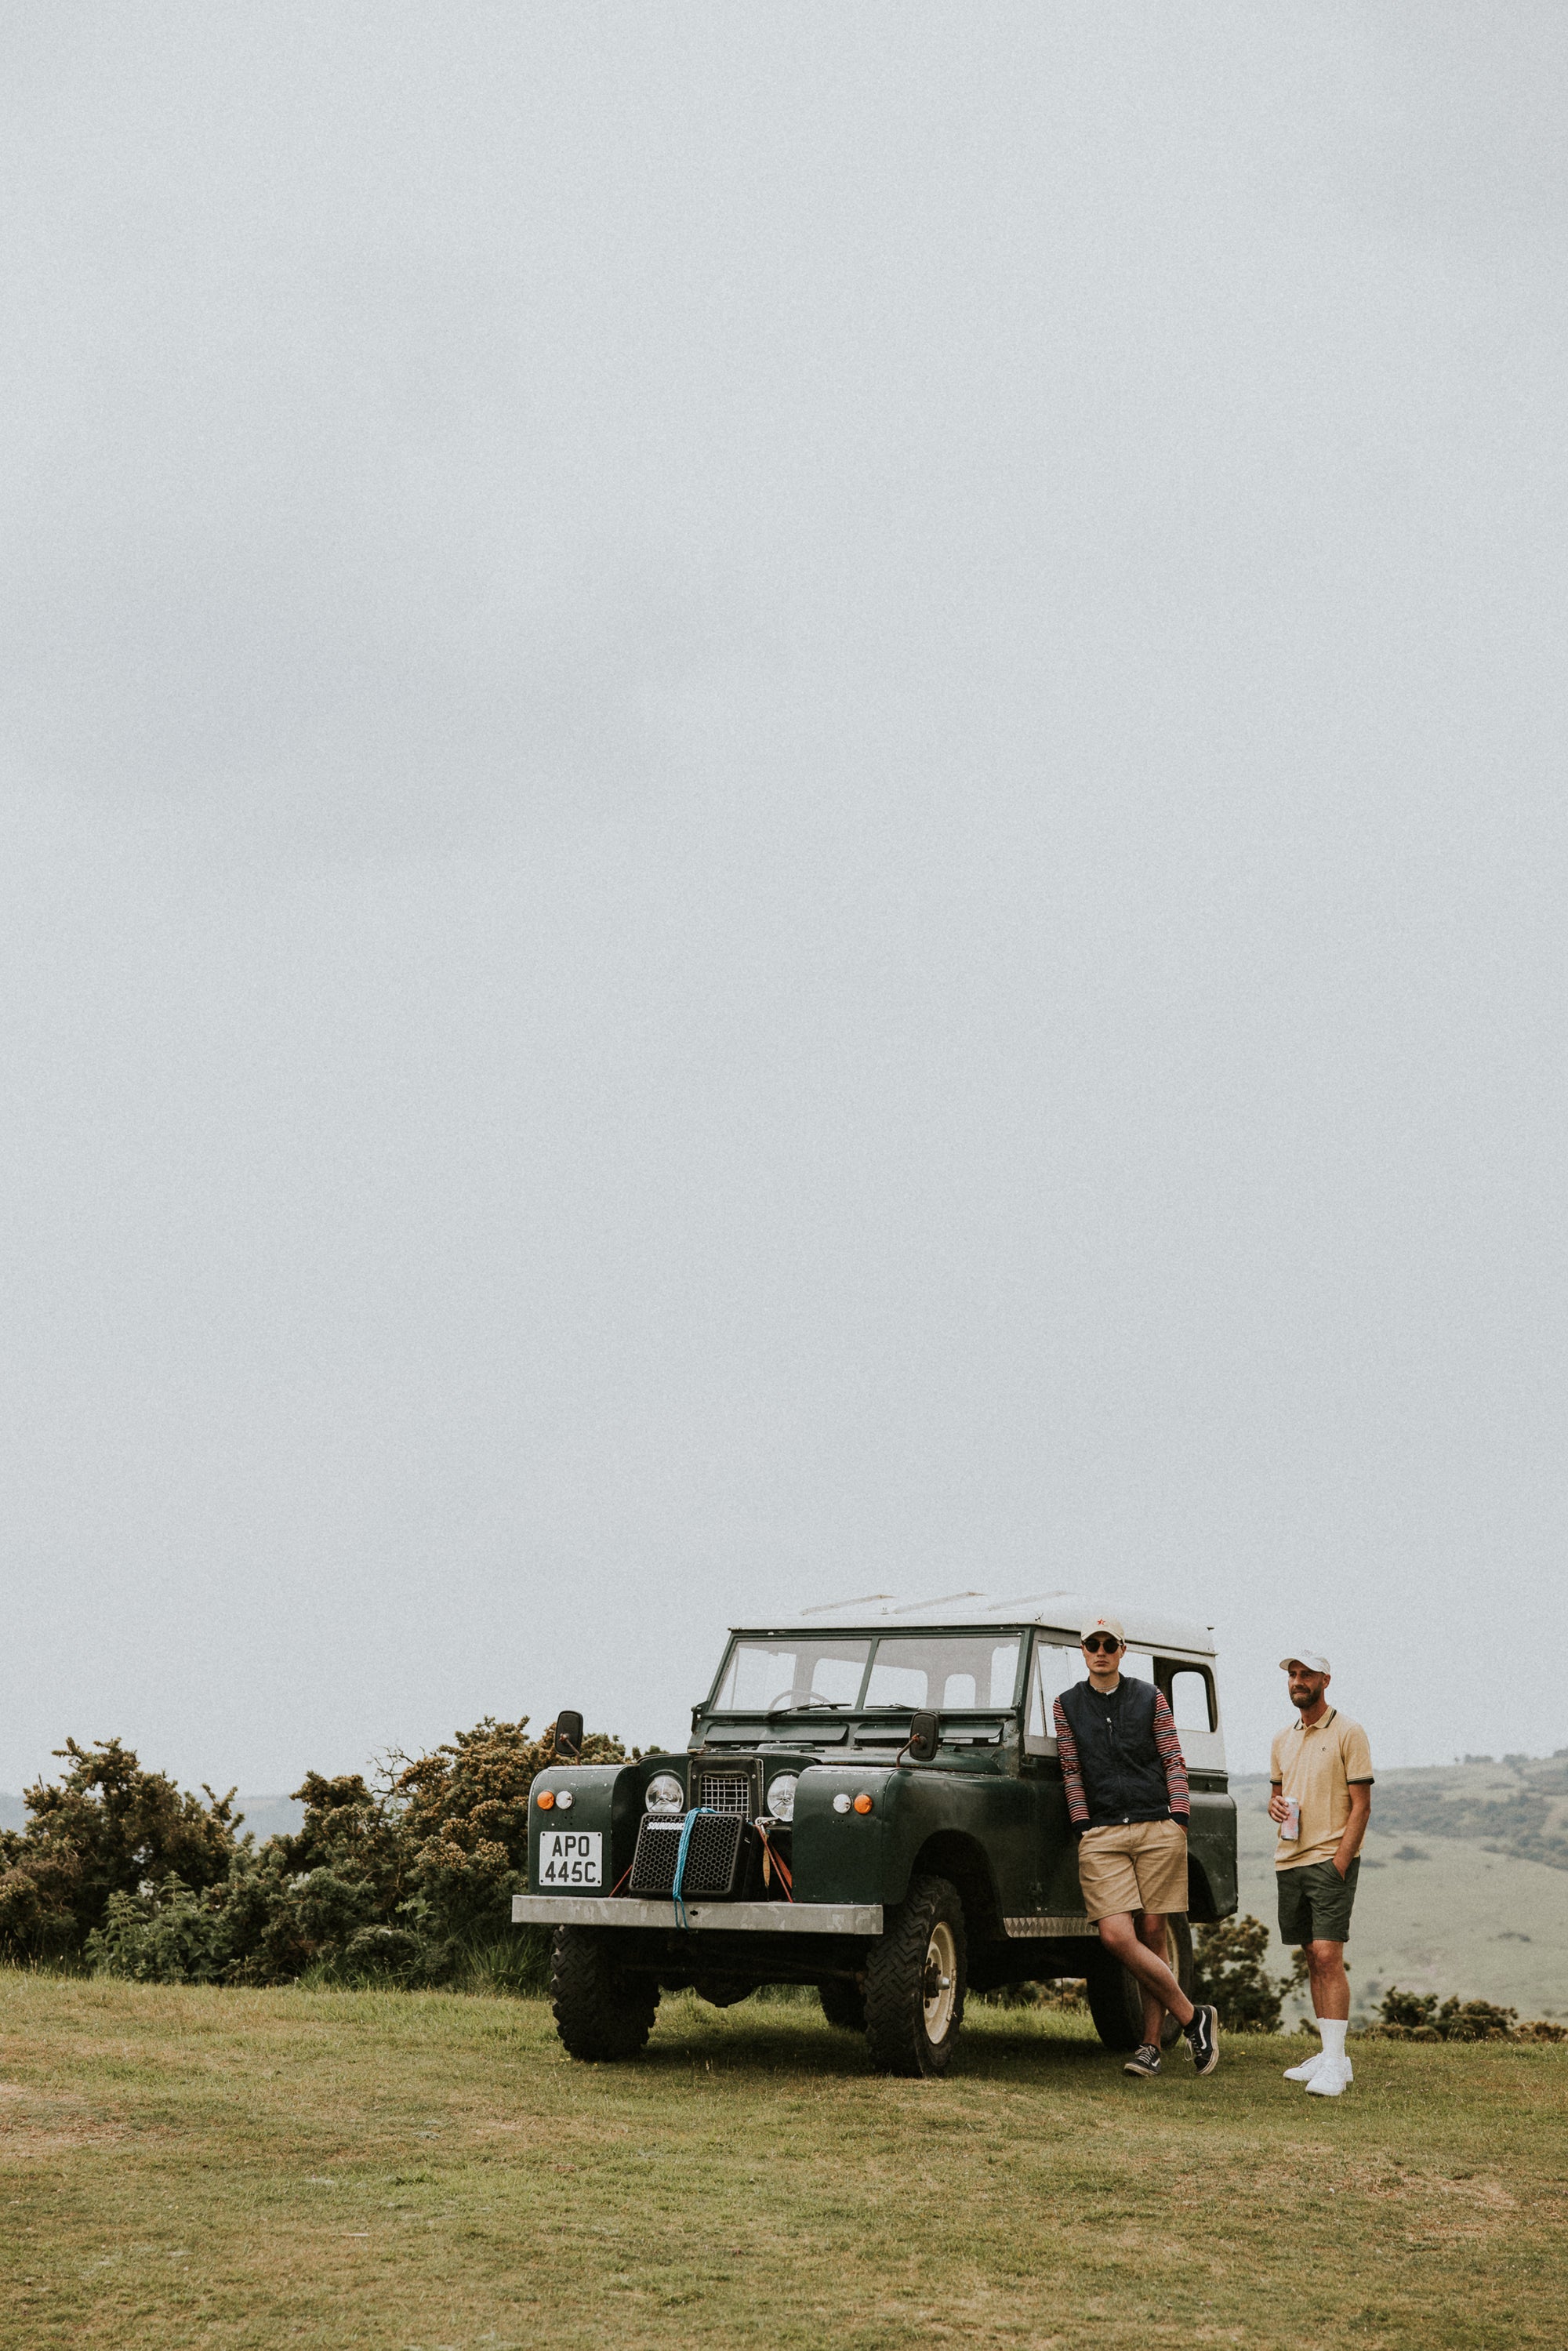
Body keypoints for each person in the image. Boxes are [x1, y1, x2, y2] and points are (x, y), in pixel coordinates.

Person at [1054, 1613, 1219, 2081]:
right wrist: (1083, 1825)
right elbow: (1071, 1769)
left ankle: (1150, 2046)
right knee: (1115, 1936)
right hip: (1102, 1834)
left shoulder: (1150, 1697)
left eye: (1110, 1645)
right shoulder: (1066, 1704)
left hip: (1157, 1826)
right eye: (1093, 1645)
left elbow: (1172, 1759)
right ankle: (1192, 2016)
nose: (1101, 1652)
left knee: (1153, 1933)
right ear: (1083, 1651)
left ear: (1122, 1651)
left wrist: (1179, 1818)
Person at [1269, 1649, 1373, 2098]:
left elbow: (1362, 1806)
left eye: (1306, 1674)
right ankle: (1333, 2057)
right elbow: (1277, 1797)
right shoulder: (1282, 1738)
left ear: (1325, 1680)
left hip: (1330, 1860)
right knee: (1312, 1956)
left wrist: (1340, 1863)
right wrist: (1274, 1807)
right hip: (1290, 1860)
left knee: (1329, 1956)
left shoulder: (1349, 1731)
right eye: (1293, 1674)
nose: (1298, 1681)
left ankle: (1334, 2063)